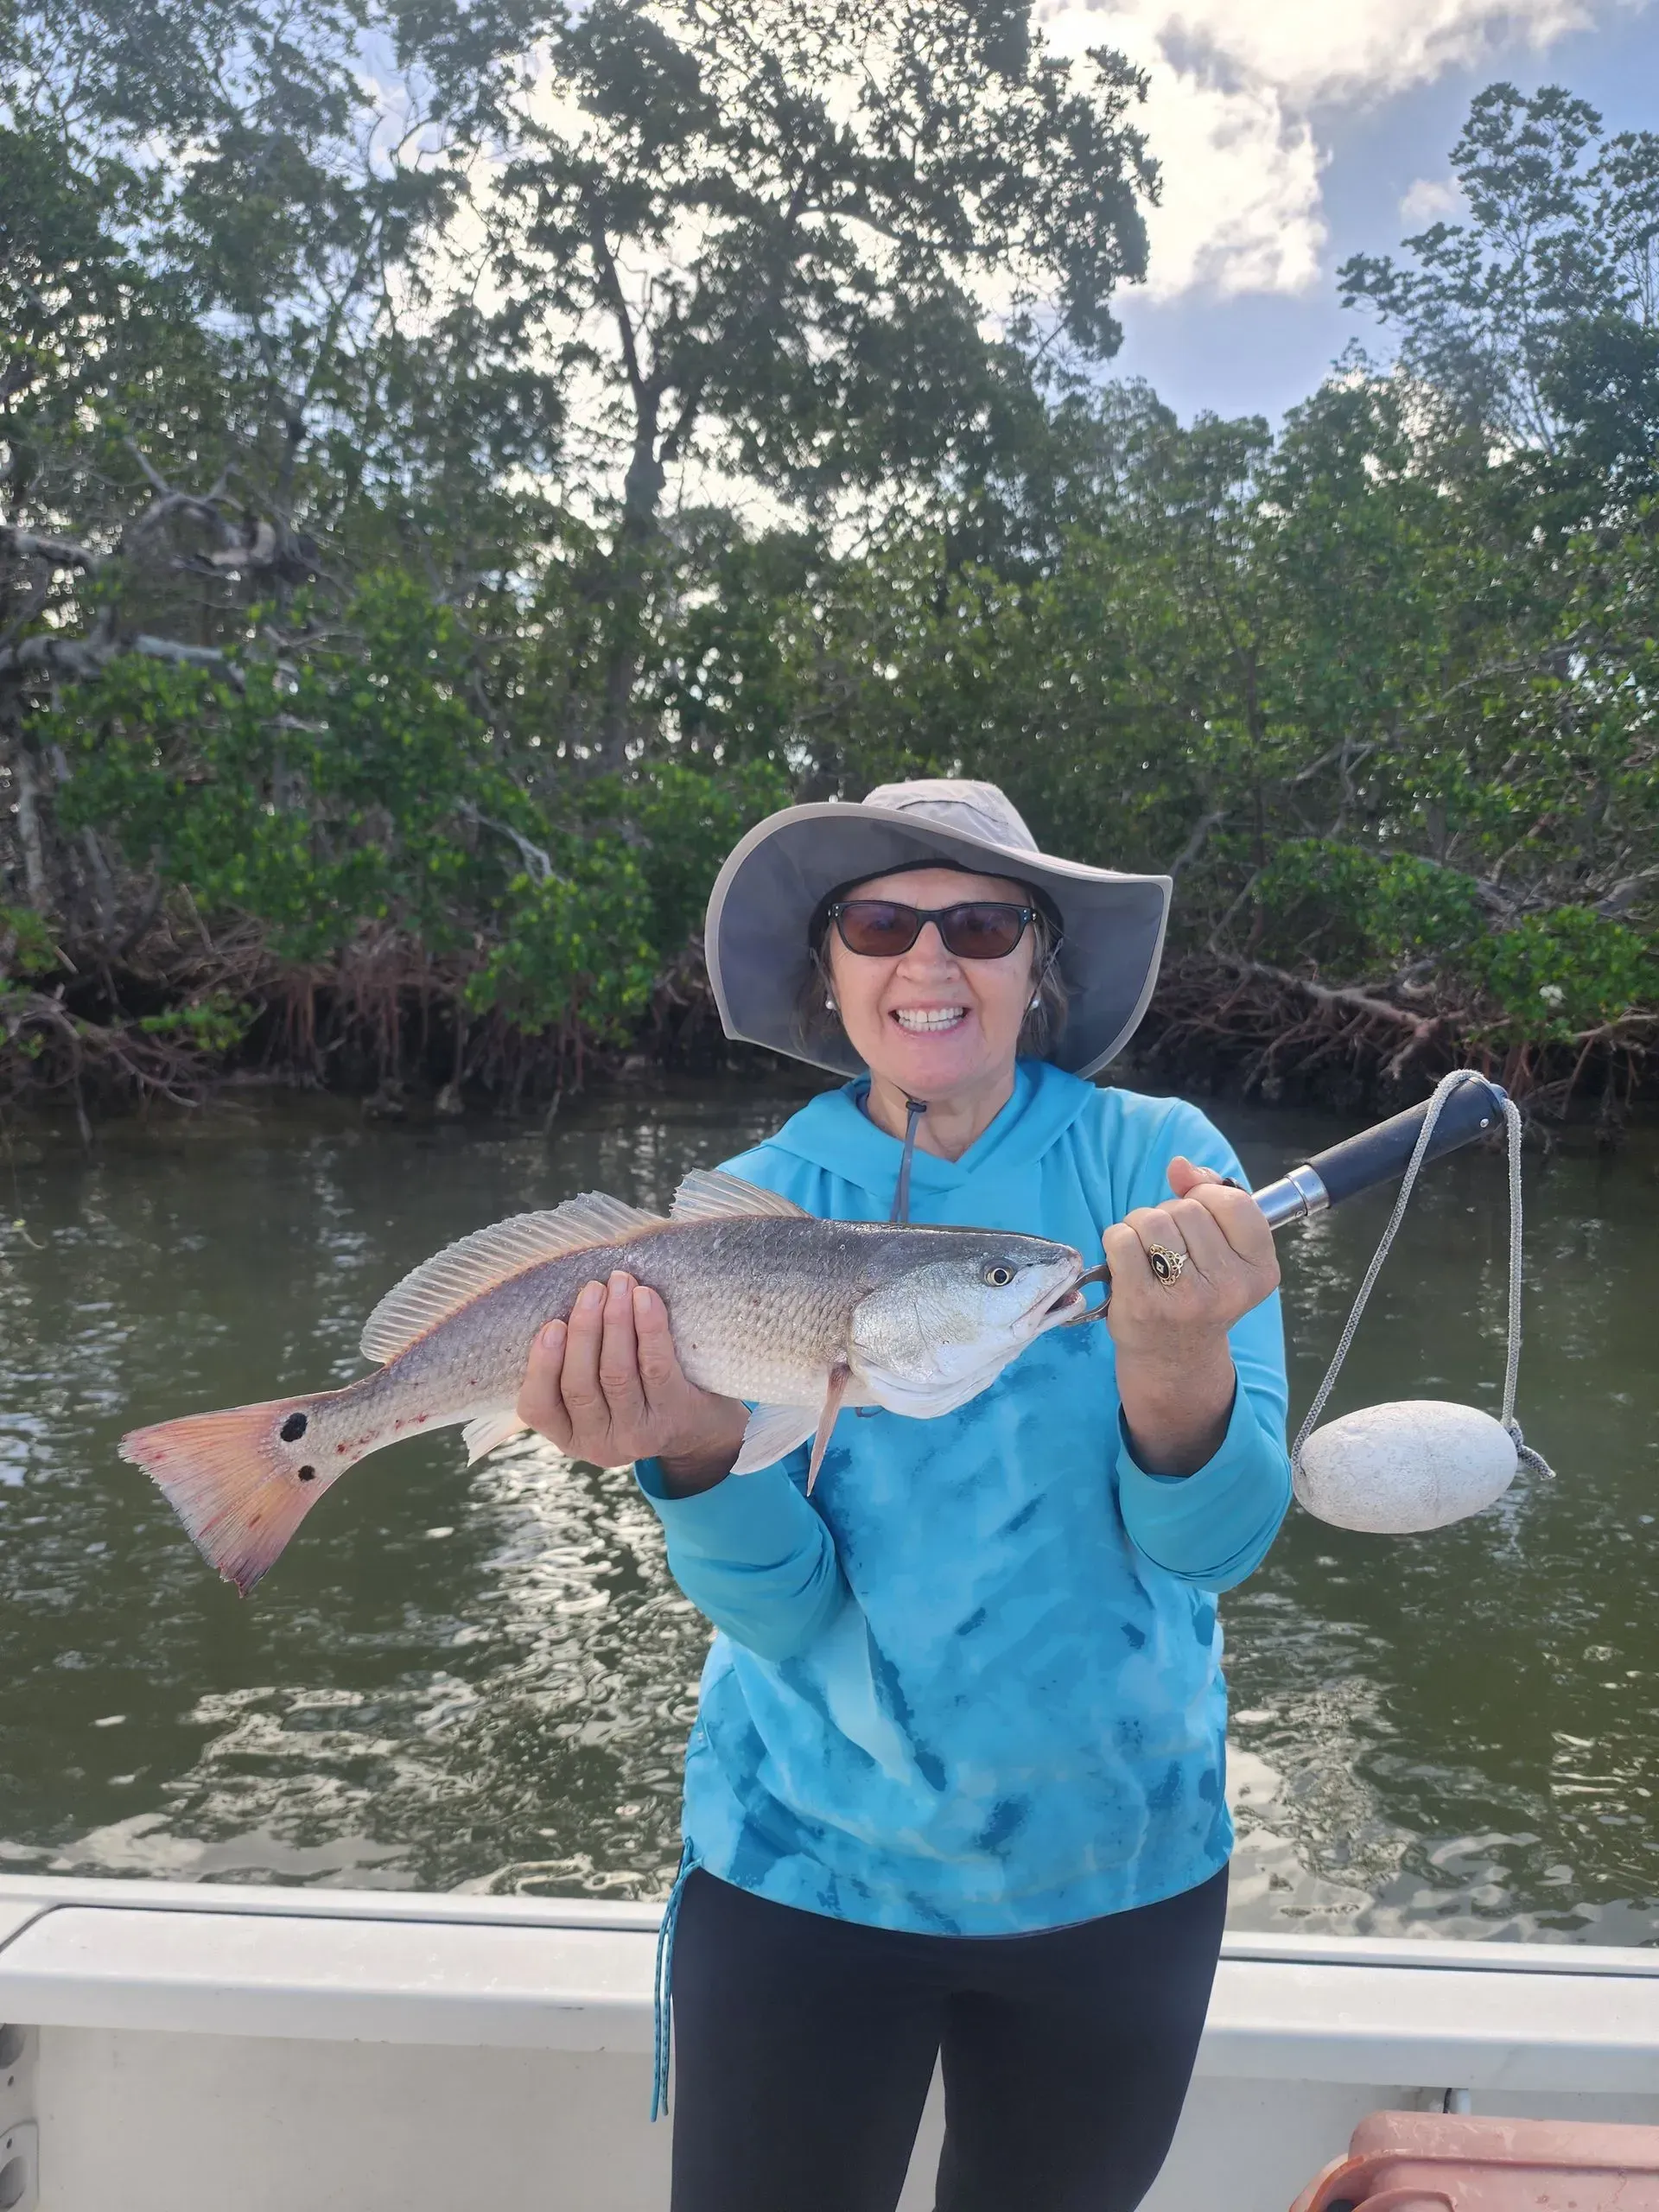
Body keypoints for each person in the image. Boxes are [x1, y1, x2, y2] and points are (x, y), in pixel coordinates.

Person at [516, 780, 1291, 2212]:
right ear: (831, 966)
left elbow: (1216, 1547)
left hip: (1118, 1871)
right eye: (881, 921)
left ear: (1037, 965)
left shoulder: (1161, 1169)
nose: (928, 963)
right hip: (802, 1873)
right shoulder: (745, 1210)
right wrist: (687, 1449)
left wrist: (1177, 1358)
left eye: (982, 923)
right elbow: (781, 1608)